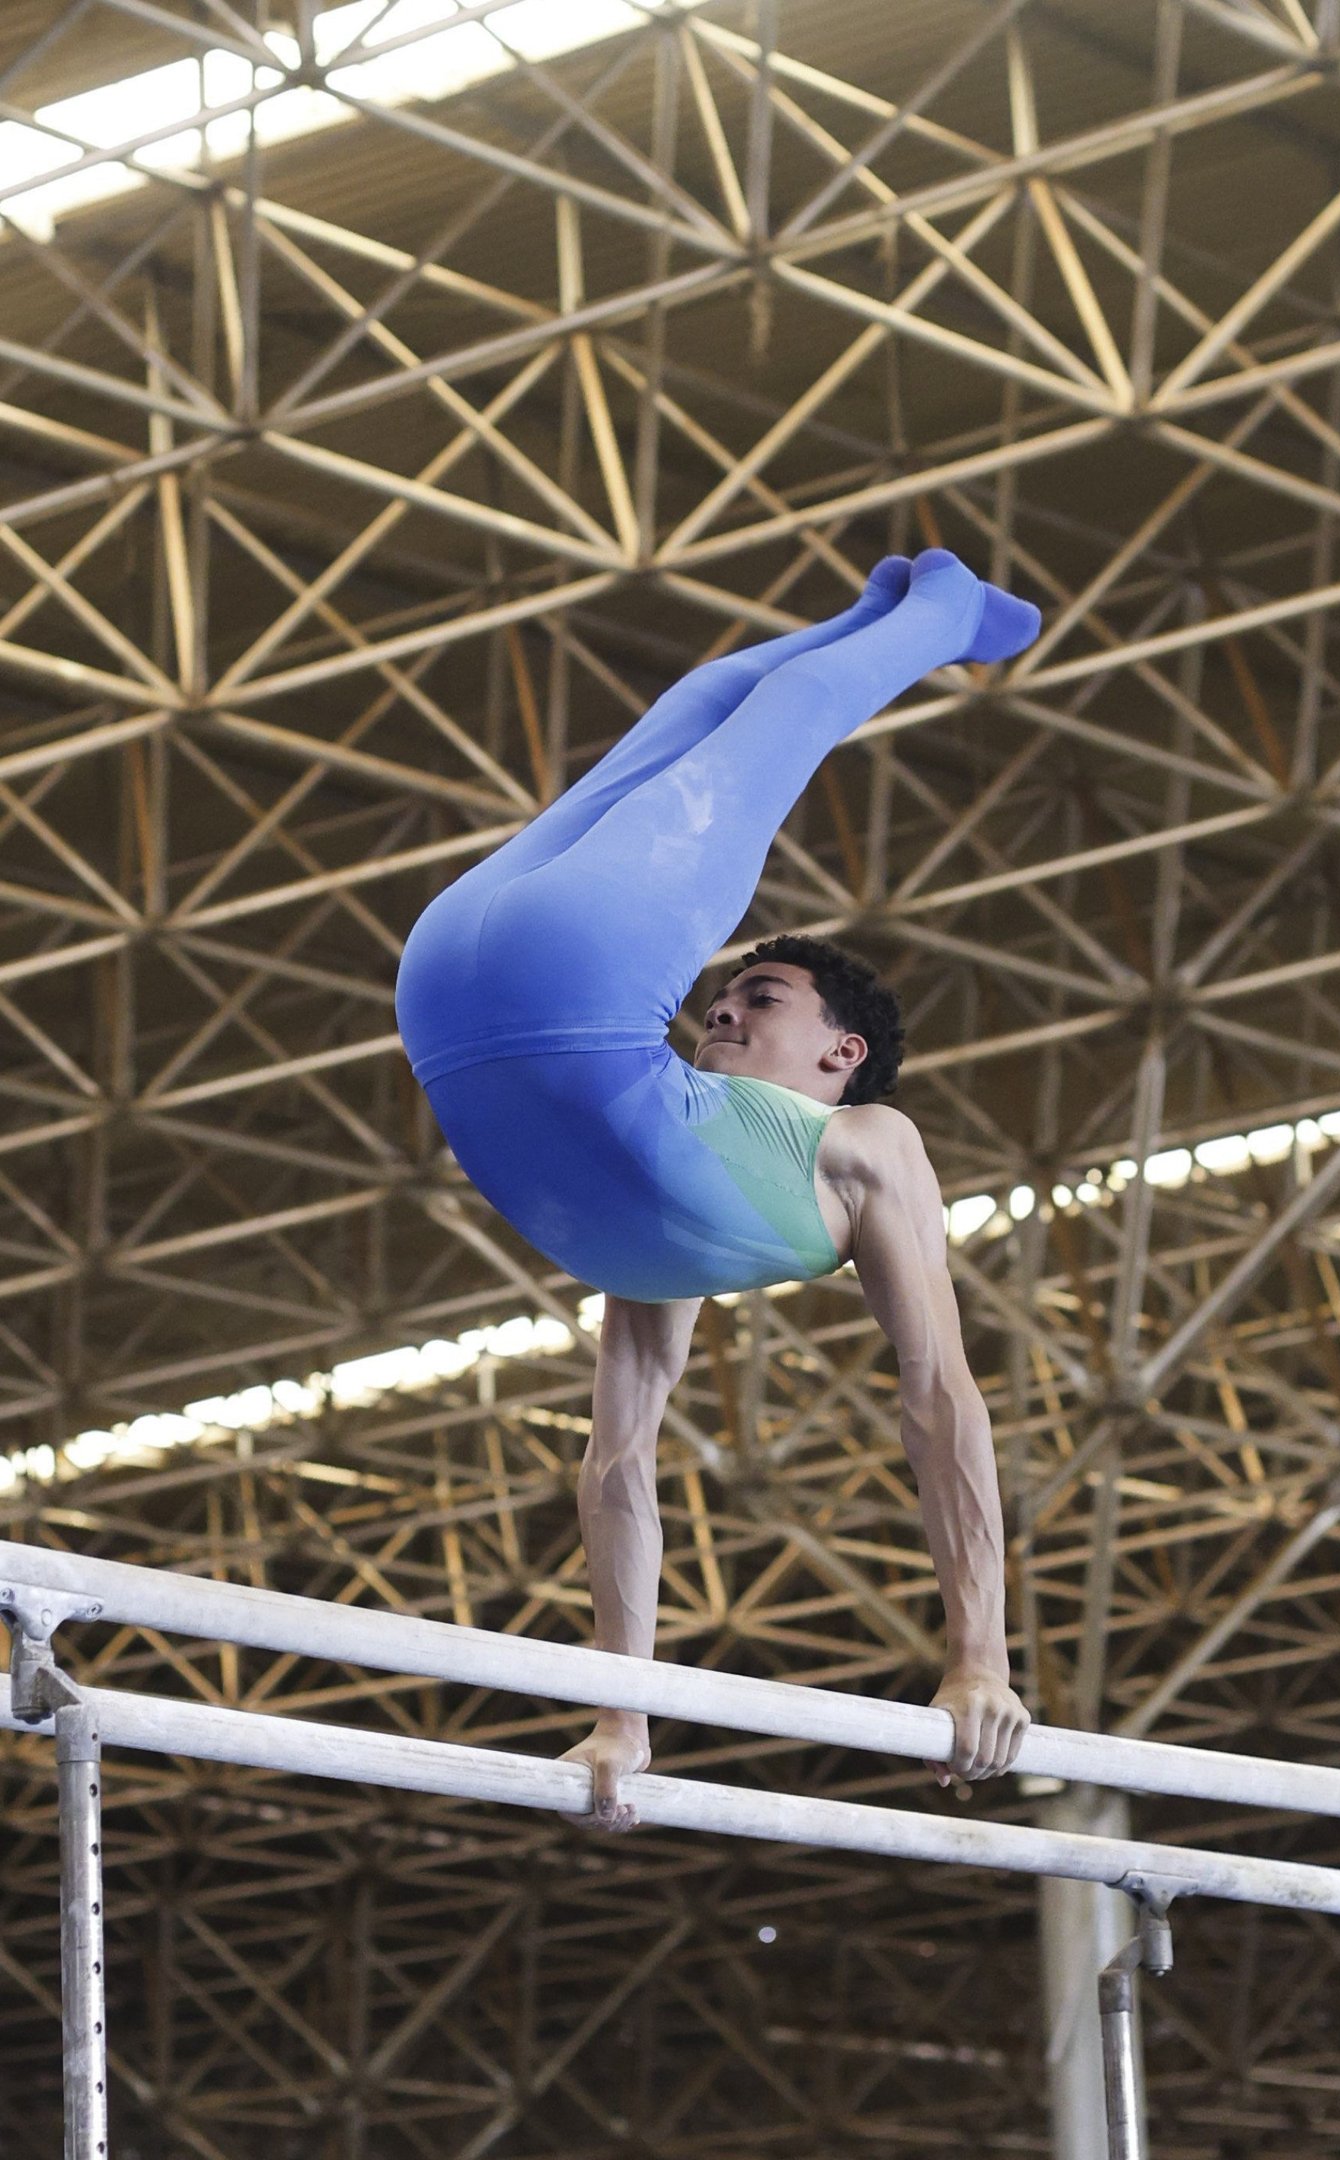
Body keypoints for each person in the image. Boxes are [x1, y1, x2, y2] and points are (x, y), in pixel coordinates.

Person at [396, 549, 1038, 1830]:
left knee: (753, 720)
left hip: (450, 982)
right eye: (727, 994)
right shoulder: (685, 1188)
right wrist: (625, 1707)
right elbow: (625, 1467)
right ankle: (919, 612)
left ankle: (929, 614)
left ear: (842, 1056)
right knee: (709, 710)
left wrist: (625, 1715)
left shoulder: (864, 1141)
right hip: (533, 978)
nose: (723, 1009)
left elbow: (935, 1399)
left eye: (762, 999)